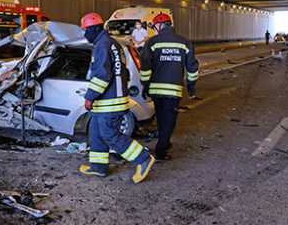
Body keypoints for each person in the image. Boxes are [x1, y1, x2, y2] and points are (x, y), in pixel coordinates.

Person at [78, 12, 155, 184]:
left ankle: (143, 159)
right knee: (96, 134)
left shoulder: (102, 45)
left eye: (86, 30)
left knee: (110, 135)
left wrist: (90, 97)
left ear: (94, 28)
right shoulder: (112, 43)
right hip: (110, 100)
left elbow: (102, 75)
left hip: (109, 103)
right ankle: (98, 168)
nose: (85, 35)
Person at [140, 12, 199, 161]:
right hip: (173, 90)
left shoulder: (152, 43)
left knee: (161, 117)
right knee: (169, 119)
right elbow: (192, 68)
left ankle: (163, 142)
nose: (154, 29)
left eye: (154, 27)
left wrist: (145, 85)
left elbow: (145, 67)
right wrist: (191, 87)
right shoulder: (185, 43)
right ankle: (161, 150)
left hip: (155, 90)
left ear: (159, 25)